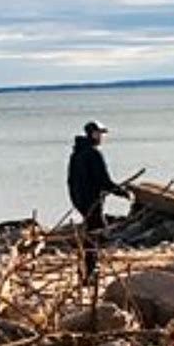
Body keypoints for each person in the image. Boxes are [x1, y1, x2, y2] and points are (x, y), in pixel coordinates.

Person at [67, 120, 128, 282]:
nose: (102, 137)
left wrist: (76, 201)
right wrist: (124, 193)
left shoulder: (76, 154)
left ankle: (86, 271)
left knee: (92, 234)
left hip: (81, 201)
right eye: (100, 134)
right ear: (93, 134)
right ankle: (88, 273)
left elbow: (70, 182)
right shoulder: (93, 154)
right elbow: (104, 181)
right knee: (96, 234)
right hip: (91, 202)